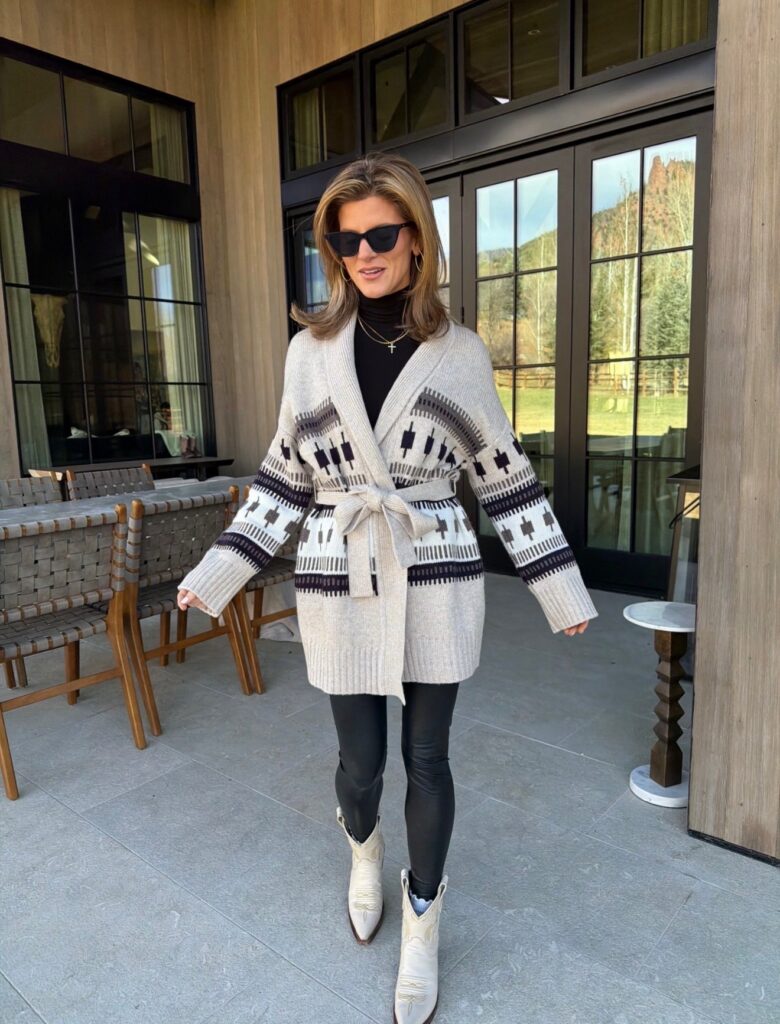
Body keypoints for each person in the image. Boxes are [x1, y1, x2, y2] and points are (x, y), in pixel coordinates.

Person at [177, 151, 598, 1024]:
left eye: (380, 235)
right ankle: (364, 853)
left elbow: (504, 475)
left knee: (428, 757)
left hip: (437, 572)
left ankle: (423, 921)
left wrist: (559, 588)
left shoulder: (459, 353)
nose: (364, 253)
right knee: (360, 764)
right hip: (340, 573)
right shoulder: (309, 353)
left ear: (415, 239)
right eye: (346, 239)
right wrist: (218, 574)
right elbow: (284, 479)